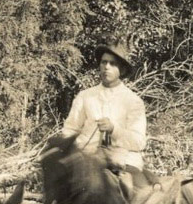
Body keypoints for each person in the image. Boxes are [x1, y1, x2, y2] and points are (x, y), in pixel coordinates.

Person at [56, 40, 147, 171]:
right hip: (86, 160)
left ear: (121, 70)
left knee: (131, 182)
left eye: (112, 63)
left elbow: (138, 142)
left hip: (122, 161)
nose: (106, 67)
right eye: (104, 62)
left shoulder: (133, 101)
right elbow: (70, 130)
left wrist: (113, 129)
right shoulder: (85, 96)